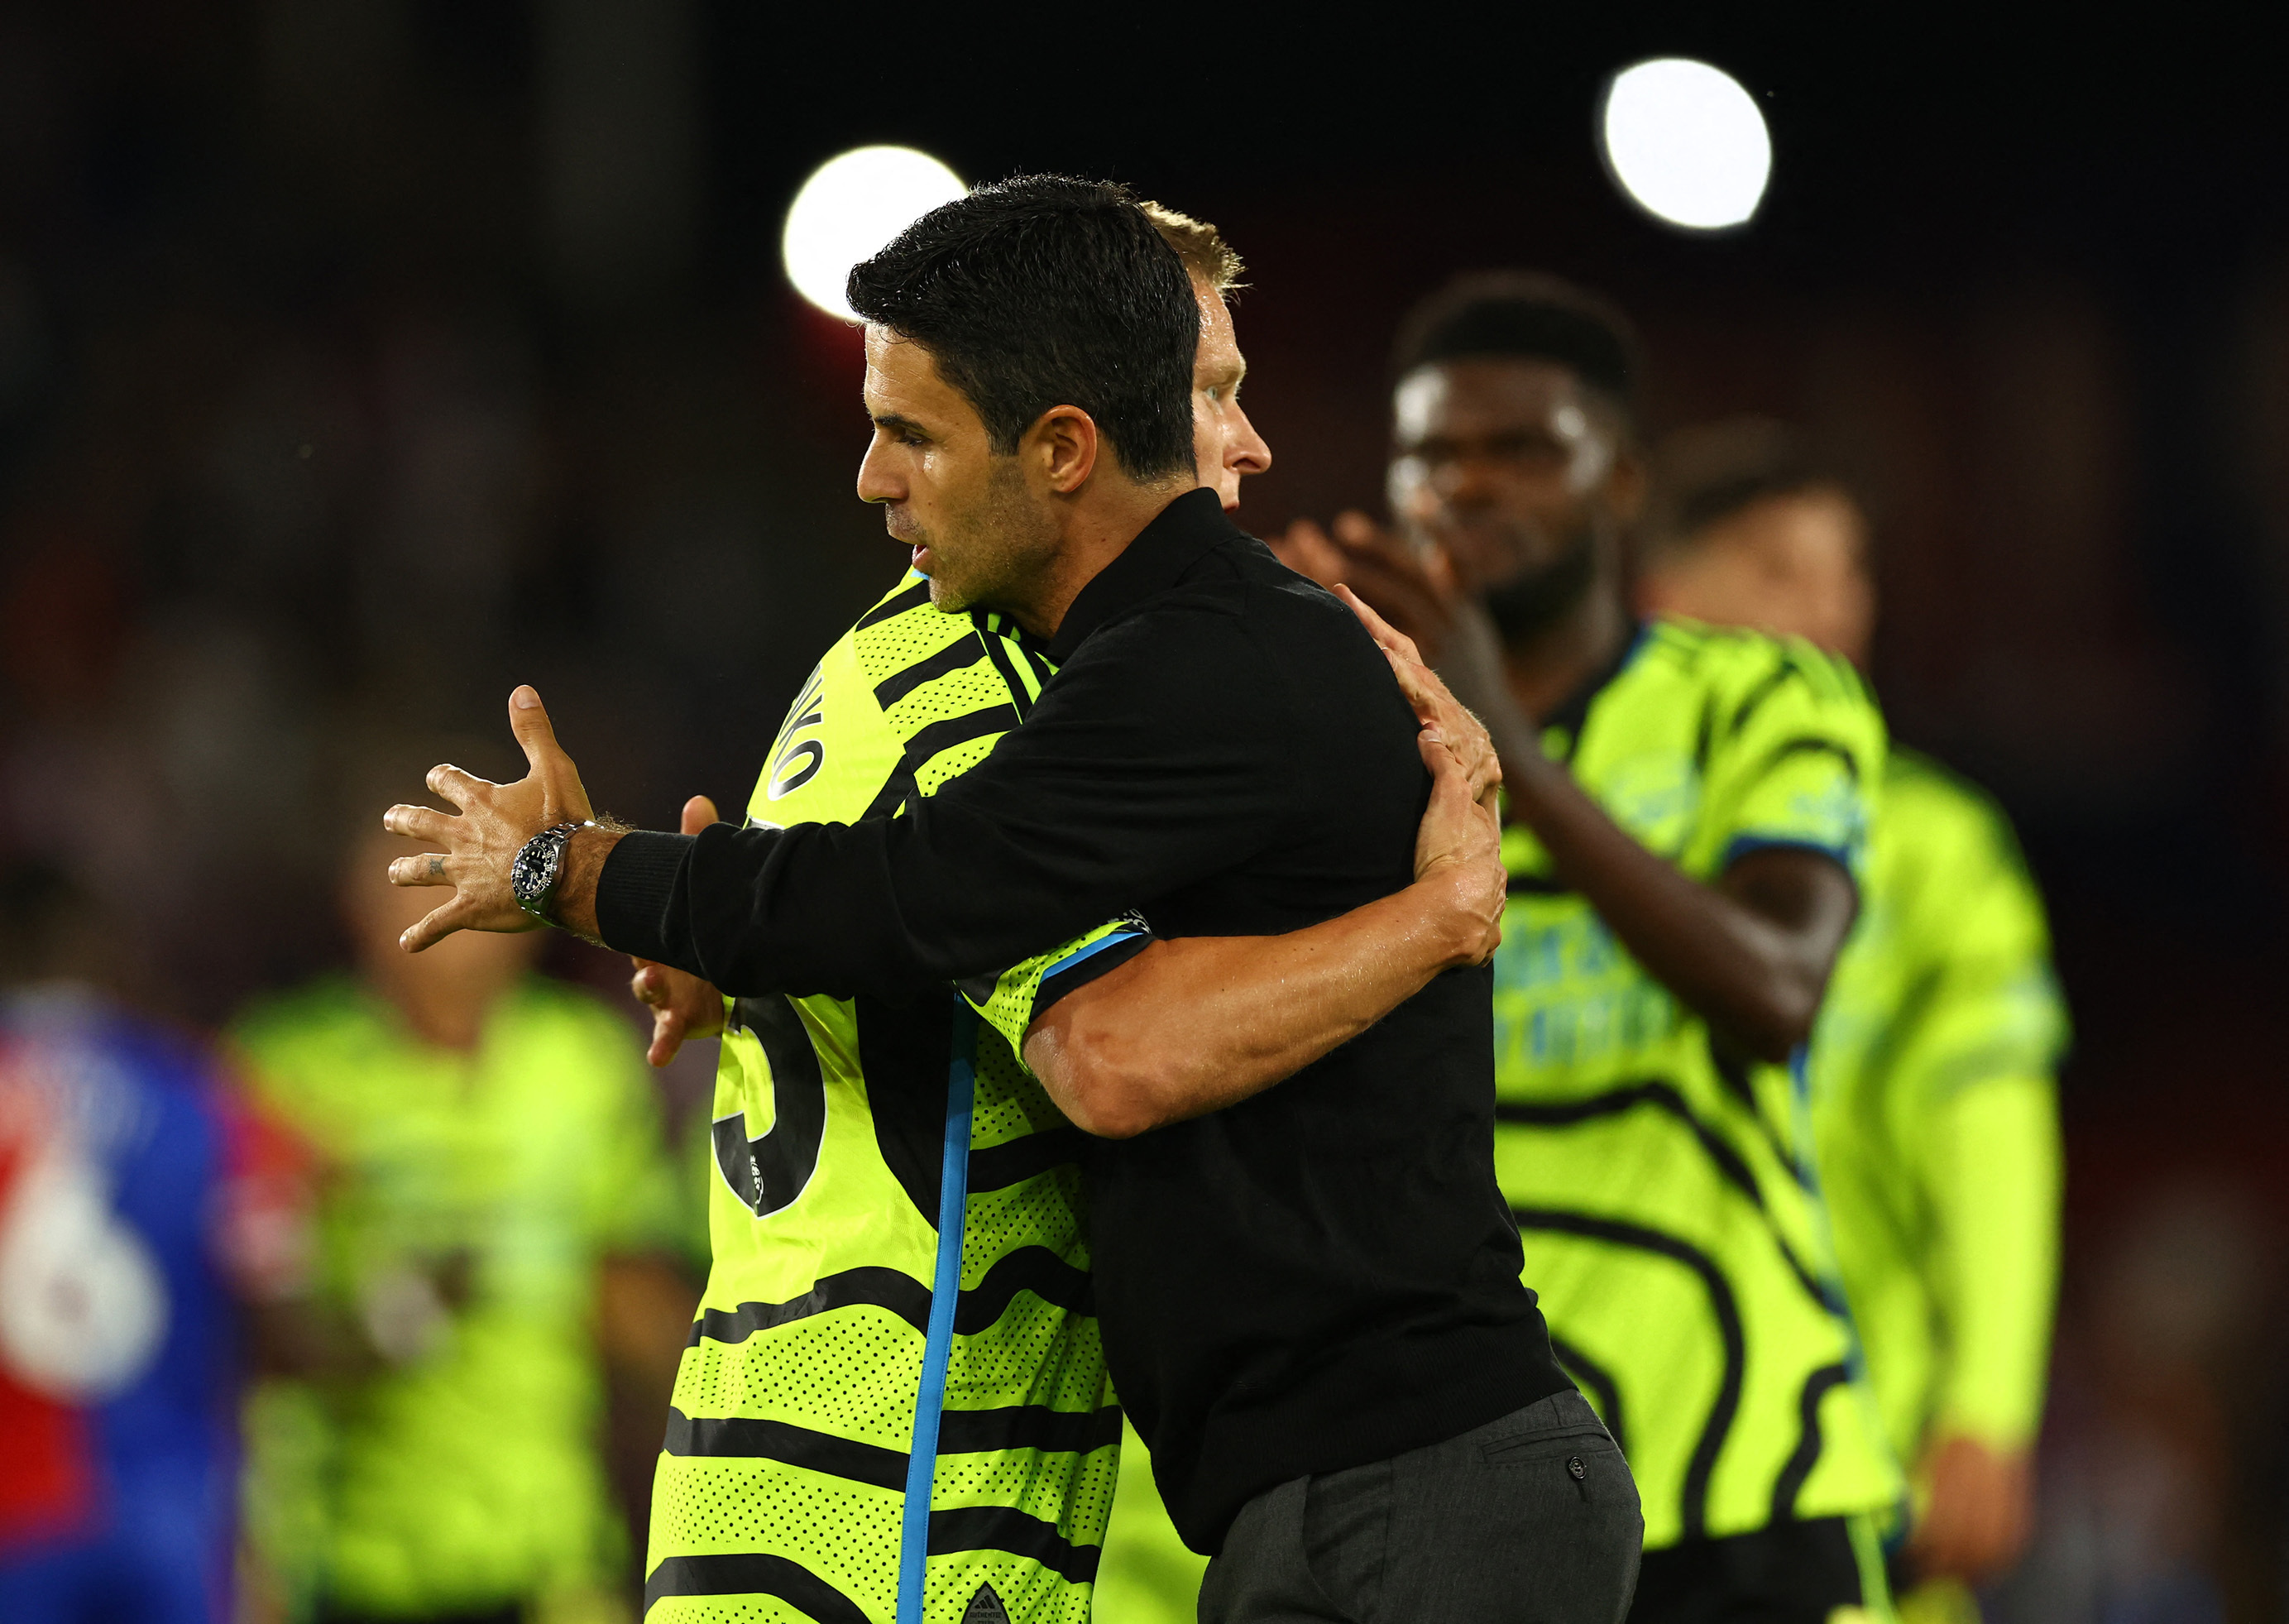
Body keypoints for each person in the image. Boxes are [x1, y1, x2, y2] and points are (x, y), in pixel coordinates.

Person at [383, 178, 1643, 1624]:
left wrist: (568, 874)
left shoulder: (1172, 661)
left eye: (908, 433)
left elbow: (1026, 983)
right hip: (1268, 1494)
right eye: (1205, 386)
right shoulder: (1071, 663)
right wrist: (721, 945)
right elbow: (924, 908)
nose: (866, 477)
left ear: (1060, 449)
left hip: (1377, 1482)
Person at [619, 201, 1280, 1624]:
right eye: (1213, 392)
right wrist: (1435, 910)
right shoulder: (977, 694)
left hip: (843, 1483)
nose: (1246, 442)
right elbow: (1112, 1051)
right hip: (886, 1503)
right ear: (1085, 417)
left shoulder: (957, 670)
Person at [1273, 274, 1903, 1621]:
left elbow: (1775, 987)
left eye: (1520, 452)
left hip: (1741, 1465)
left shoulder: (1760, 694)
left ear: (1617, 480)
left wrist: (1505, 736)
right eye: (1434, 455)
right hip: (1471, 1476)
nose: (1469, 488)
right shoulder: (1351, 738)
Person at [1636, 418, 2067, 1622]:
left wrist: (1986, 1403)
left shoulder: (1933, 848)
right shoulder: (1573, 835)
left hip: (1853, 1465)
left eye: (1847, 570)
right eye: (1778, 570)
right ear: (1664, 598)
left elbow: (1990, 1128)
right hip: (1605, 1464)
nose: (1827, 608)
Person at [228, 775, 690, 1623]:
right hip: (350, 1558)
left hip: (547, 1552)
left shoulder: (582, 1065)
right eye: (410, 881)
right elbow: (241, 1324)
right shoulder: (282, 1071)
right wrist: (375, 1325)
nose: (450, 919)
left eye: (466, 874)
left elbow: (630, 1286)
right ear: (354, 902)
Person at [0, 861, 312, 1624]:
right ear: (104, 953)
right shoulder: (205, 1092)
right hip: (174, 1512)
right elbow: (280, 1306)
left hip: (16, 1517)